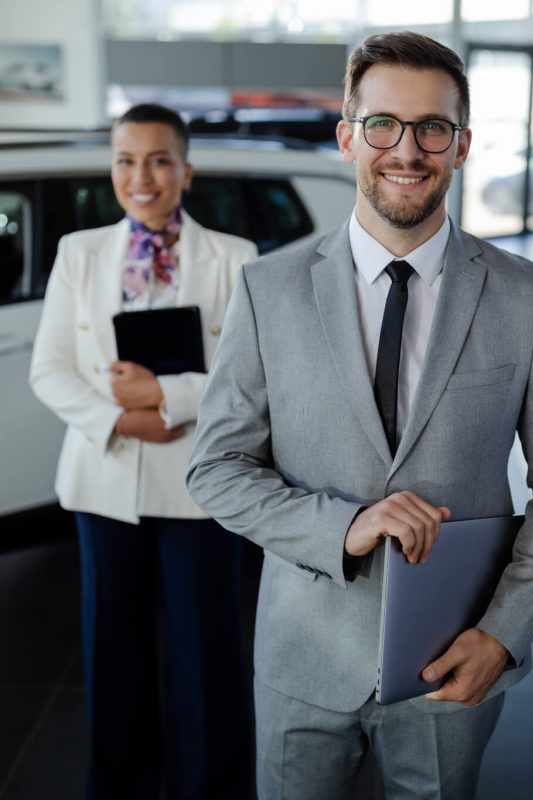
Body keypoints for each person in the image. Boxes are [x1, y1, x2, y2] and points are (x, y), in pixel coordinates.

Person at [187, 31, 533, 800]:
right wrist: (343, 526)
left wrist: (503, 635)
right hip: (302, 659)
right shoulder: (267, 291)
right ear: (347, 136)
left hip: (454, 659)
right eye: (383, 124)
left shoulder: (529, 298)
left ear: (462, 144)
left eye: (432, 128)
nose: (406, 150)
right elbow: (214, 468)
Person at [29, 103, 255, 800]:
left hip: (199, 486)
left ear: (186, 170)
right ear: (112, 170)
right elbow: (50, 369)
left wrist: (167, 398)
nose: (143, 176)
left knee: (205, 665)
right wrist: (122, 422)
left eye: (159, 160)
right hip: (105, 485)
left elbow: (247, 377)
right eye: (127, 161)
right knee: (114, 663)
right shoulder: (80, 252)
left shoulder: (234, 258)